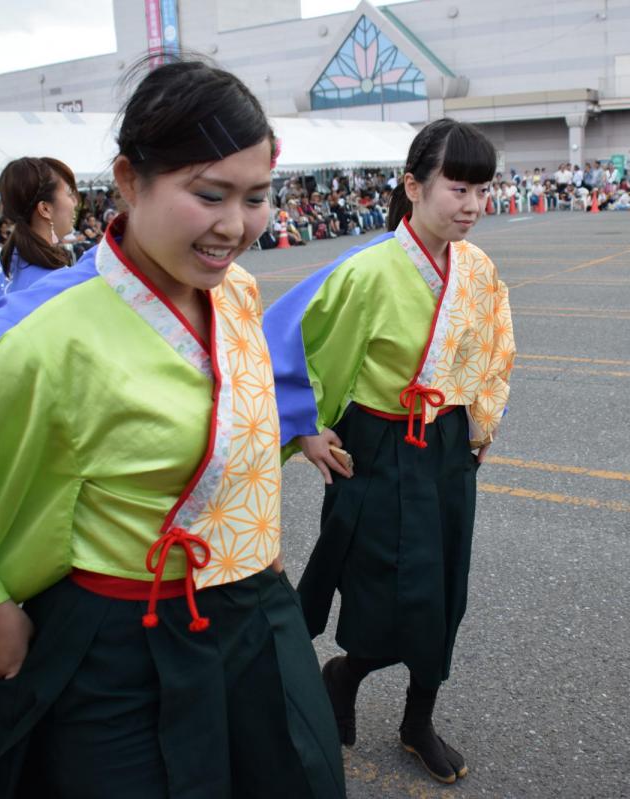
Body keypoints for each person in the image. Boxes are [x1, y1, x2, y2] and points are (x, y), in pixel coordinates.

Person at [0, 58, 344, 798]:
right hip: (126, 643)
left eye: (257, 197)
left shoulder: (241, 292)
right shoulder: (47, 338)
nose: (236, 225)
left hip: (260, 614)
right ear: (129, 179)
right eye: (209, 194)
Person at [264, 118, 515, 785]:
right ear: (414, 184)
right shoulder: (368, 271)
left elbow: (492, 353)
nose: (471, 206)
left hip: (445, 445)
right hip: (376, 445)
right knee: (379, 589)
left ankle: (417, 718)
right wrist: (309, 428)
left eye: (481, 191)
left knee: (443, 586)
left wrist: (479, 423)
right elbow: (308, 351)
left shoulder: (478, 271)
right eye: (458, 188)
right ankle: (344, 675)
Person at [0, 156, 78, 310]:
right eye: (69, 193)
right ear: (45, 209)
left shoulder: (6, 262)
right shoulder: (56, 280)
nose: (75, 202)